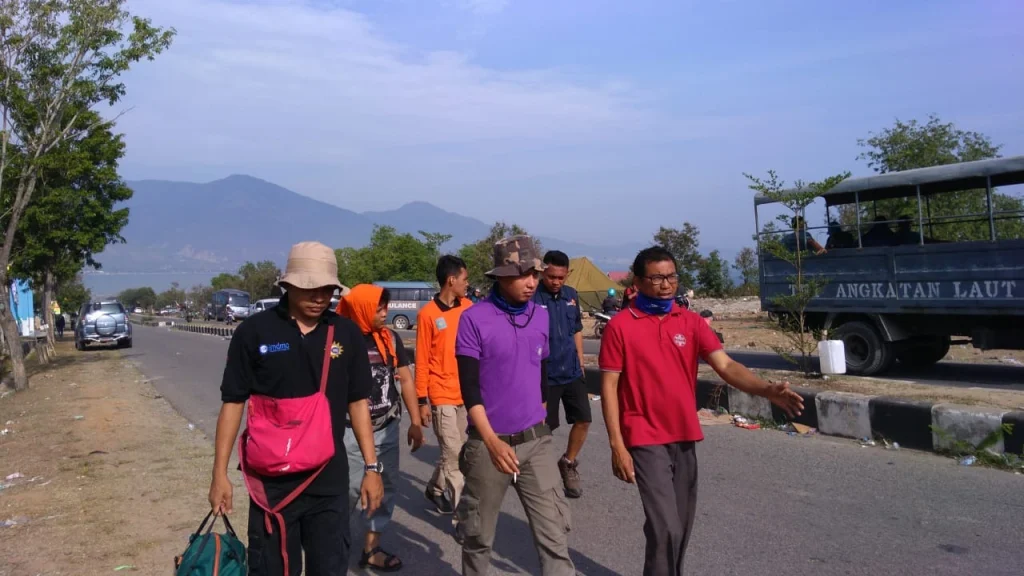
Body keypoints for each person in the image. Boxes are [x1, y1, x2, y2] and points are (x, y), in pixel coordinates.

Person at [599, 246, 804, 576]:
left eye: (672, 277)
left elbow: (725, 365)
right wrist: (617, 446)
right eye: (657, 277)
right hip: (643, 436)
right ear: (637, 282)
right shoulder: (621, 326)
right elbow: (609, 388)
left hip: (683, 434)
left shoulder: (691, 322)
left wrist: (767, 390)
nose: (667, 284)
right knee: (667, 527)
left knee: (678, 525)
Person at [209, 241, 384, 576]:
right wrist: (219, 474)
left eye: (327, 289)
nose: (319, 297)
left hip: (328, 483)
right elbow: (233, 403)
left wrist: (372, 469)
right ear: (287, 285)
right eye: (309, 288)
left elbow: (358, 402)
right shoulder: (254, 332)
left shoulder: (345, 333)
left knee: (330, 568)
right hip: (271, 488)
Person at [455, 235, 576, 576]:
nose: (531, 282)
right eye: (522, 274)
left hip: (536, 442)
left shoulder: (540, 316)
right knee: (478, 538)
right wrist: (492, 442)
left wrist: (539, 421)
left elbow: (541, 373)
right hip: (489, 444)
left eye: (534, 274)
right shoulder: (474, 319)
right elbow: (470, 390)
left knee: (554, 536)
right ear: (500, 277)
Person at [337, 284, 425, 571]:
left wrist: (414, 421)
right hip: (348, 432)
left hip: (385, 428)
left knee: (384, 490)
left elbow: (405, 379)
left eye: (386, 307)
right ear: (362, 309)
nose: (385, 313)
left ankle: (371, 549)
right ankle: (333, 547)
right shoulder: (339, 341)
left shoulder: (389, 338)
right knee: (348, 491)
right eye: (379, 308)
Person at [417, 255, 473, 517]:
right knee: (455, 455)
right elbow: (421, 360)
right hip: (441, 395)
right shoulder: (427, 315)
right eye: (464, 279)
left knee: (455, 453)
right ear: (451, 280)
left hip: (466, 393)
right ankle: (464, 519)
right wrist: (421, 401)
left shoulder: (469, 308)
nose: (467, 283)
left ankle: (434, 489)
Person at [532, 250, 590, 499]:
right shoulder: (533, 297)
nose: (556, 282)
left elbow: (576, 329)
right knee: (545, 428)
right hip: (546, 374)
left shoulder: (571, 296)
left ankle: (568, 463)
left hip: (572, 371)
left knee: (584, 420)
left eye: (561, 277)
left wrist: (581, 358)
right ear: (543, 272)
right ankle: (536, 472)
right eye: (551, 276)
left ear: (567, 275)